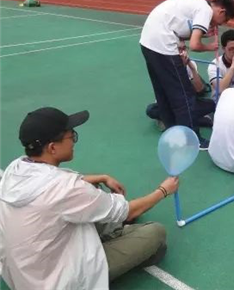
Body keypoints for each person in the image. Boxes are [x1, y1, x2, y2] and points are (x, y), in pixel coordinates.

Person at [0, 107, 179, 289]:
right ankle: (114, 241)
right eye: (72, 137)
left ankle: (112, 230)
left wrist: (98, 177)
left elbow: (53, 186)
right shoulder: (67, 189)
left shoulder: (15, 168)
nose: (74, 142)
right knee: (155, 235)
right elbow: (128, 211)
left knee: (91, 193)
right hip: (59, 282)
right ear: (52, 147)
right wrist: (163, 190)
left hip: (21, 275)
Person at [139, 0, 234, 149]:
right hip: (163, 44)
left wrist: (200, 33)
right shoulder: (205, 10)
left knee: (163, 92)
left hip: (148, 43)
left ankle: (172, 132)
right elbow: (195, 44)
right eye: (223, 21)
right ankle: (193, 140)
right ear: (222, 11)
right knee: (183, 95)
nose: (219, 25)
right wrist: (210, 47)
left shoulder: (197, 5)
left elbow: (182, 30)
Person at [146, 47, 215, 130]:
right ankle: (196, 120)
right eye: (179, 49)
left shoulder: (190, 64)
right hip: (170, 105)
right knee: (151, 110)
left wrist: (191, 68)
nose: (182, 52)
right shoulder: (165, 65)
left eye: (183, 49)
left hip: (188, 103)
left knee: (211, 104)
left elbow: (199, 89)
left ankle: (173, 121)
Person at [207, 29, 234, 101]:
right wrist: (233, 66)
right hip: (223, 99)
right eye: (232, 49)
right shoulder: (214, 65)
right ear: (223, 49)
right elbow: (220, 89)